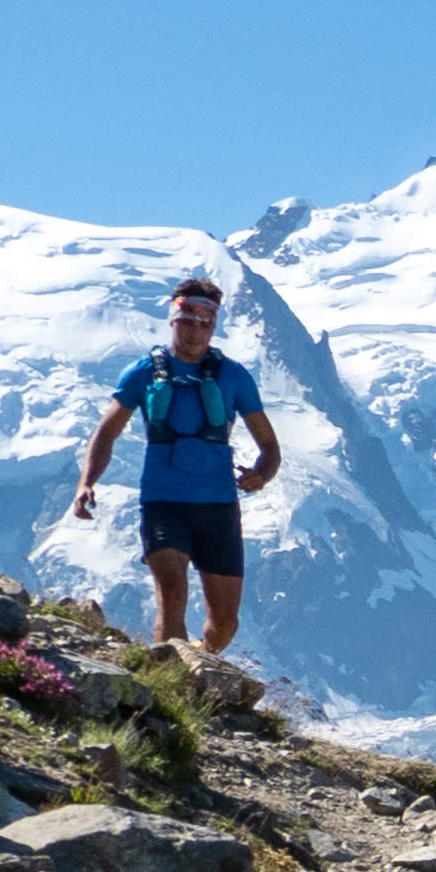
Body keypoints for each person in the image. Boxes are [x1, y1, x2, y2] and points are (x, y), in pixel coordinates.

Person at [67, 274, 279, 653]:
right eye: (188, 321)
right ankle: (169, 677)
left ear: (213, 326)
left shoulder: (233, 377)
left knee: (224, 623)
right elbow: (106, 433)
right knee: (172, 592)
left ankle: (197, 660)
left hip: (218, 505)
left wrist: (261, 475)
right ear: (172, 320)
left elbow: (269, 445)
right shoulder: (142, 373)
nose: (196, 331)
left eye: (205, 323)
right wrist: (86, 483)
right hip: (162, 502)